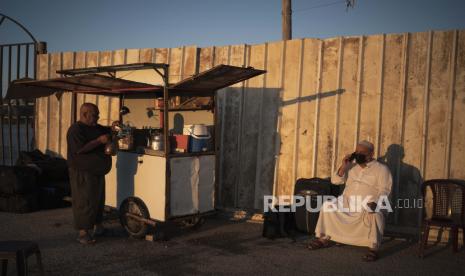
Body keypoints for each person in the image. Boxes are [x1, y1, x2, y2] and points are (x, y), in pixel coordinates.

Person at [308, 140, 392, 262]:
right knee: (327, 206)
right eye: (357, 151)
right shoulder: (351, 167)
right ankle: (324, 238)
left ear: (371, 154)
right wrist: (343, 166)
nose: (358, 154)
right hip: (347, 202)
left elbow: (385, 189)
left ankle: (373, 248)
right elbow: (335, 181)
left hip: (367, 204)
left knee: (375, 214)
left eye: (362, 152)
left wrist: (376, 202)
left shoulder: (382, 169)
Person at [66, 102, 118, 244]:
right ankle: (83, 233)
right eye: (95, 115)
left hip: (97, 170)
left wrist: (113, 128)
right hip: (82, 172)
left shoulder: (96, 127)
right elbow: (79, 150)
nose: (97, 117)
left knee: (98, 200)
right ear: (84, 114)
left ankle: (98, 227)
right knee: (85, 200)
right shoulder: (75, 130)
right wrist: (98, 141)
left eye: (98, 114)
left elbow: (107, 131)